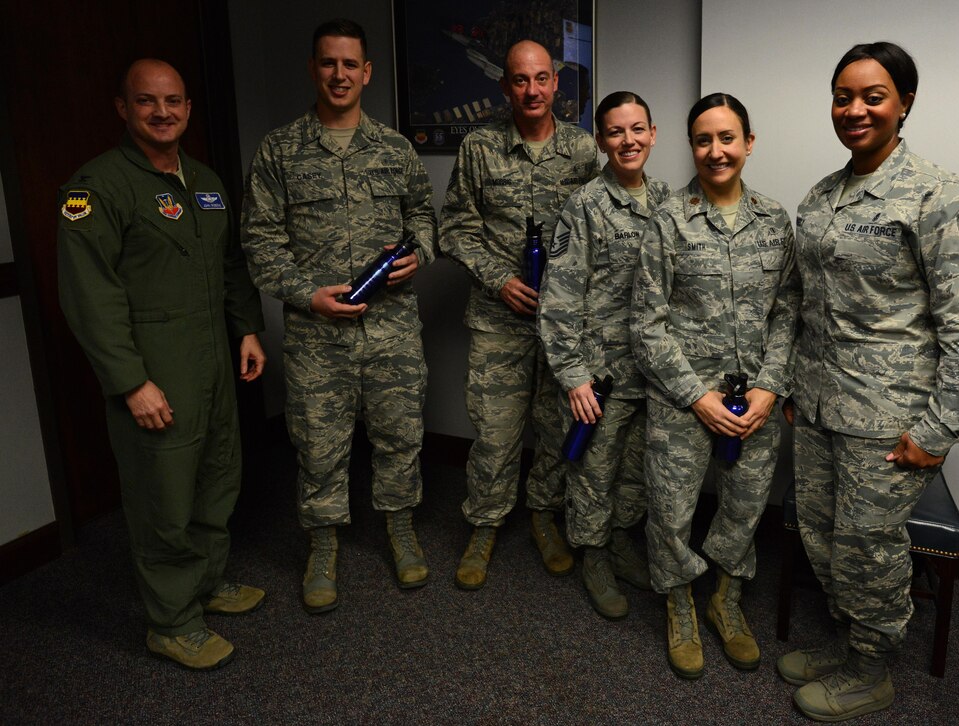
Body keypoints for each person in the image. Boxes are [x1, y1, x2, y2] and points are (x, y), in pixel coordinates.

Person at [778, 42, 959, 722]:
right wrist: (795, 388)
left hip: (888, 417)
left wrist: (936, 434)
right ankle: (850, 641)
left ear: (905, 102)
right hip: (820, 405)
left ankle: (871, 669)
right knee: (820, 534)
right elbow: (804, 302)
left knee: (867, 548)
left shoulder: (937, 194)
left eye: (872, 96)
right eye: (843, 96)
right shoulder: (821, 195)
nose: (854, 110)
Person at [57, 59, 267, 670]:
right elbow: (89, 296)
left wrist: (247, 329)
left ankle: (203, 584)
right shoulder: (94, 188)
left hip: (214, 363)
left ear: (188, 108)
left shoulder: (203, 180)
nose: (162, 112)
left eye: (173, 101)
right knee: (163, 496)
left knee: (215, 475)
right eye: (147, 101)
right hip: (154, 370)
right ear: (123, 108)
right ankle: (171, 622)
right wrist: (130, 382)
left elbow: (230, 265)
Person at [241, 19, 436, 611]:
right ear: (313, 68)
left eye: (350, 64)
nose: (340, 74)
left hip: (392, 330)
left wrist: (419, 254)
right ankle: (322, 545)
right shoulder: (280, 149)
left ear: (367, 72)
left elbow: (424, 217)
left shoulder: (397, 149)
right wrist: (306, 294)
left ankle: (400, 529)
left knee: (400, 433)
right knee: (318, 442)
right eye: (329, 63)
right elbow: (260, 242)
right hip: (317, 334)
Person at [631, 93, 800, 679]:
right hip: (682, 398)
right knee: (671, 508)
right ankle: (680, 601)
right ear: (691, 147)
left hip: (752, 398)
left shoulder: (776, 221)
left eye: (727, 138)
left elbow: (787, 312)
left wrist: (771, 387)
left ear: (749, 144)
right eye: (703, 140)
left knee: (746, 504)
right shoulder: (669, 219)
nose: (716, 150)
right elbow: (645, 324)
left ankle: (725, 598)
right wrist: (695, 396)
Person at [440, 39, 599, 590]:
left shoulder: (582, 150)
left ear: (556, 84)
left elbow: (595, 233)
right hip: (498, 317)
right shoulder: (480, 148)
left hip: (562, 324)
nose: (531, 90)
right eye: (519, 80)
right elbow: (454, 228)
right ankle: (483, 525)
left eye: (541, 79)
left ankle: (543, 516)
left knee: (556, 427)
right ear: (504, 86)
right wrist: (498, 279)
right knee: (496, 432)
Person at [537, 91, 668, 619]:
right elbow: (560, 298)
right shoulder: (585, 205)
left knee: (636, 471)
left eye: (637, 129)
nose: (628, 141)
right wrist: (573, 376)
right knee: (594, 470)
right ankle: (592, 554)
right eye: (615, 132)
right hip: (602, 373)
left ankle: (618, 541)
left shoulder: (668, 199)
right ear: (600, 141)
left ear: (653, 134)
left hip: (653, 372)